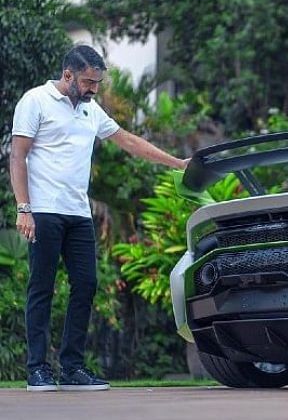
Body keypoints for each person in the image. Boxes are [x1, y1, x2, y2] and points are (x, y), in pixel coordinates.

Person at [11, 44, 191, 393]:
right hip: (44, 211)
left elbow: (128, 141)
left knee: (87, 285)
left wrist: (177, 163)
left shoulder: (91, 111)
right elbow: (17, 157)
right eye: (89, 81)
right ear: (68, 75)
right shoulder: (35, 101)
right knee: (41, 288)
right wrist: (24, 208)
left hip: (79, 213)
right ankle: (37, 369)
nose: (94, 88)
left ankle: (72, 367)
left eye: (98, 82)